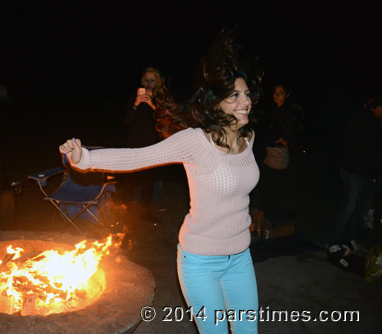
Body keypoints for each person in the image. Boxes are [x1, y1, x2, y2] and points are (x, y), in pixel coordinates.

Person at [59, 30, 262, 333]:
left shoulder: (249, 138)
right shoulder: (196, 141)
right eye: (235, 95)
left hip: (241, 258)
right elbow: (137, 158)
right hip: (201, 261)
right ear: (216, 102)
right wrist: (85, 159)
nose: (245, 101)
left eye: (246, 94)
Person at [328, 92, 382, 257]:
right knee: (348, 208)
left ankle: (351, 239)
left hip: (369, 174)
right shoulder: (361, 119)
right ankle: (333, 242)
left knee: (362, 209)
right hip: (353, 172)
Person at [122, 67, 166, 221]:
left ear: (157, 81)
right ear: (142, 80)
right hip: (134, 144)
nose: (148, 83)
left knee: (148, 181)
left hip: (152, 145)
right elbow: (127, 121)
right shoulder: (136, 95)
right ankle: (124, 211)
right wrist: (136, 103)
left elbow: (165, 123)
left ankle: (145, 212)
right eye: (146, 80)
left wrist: (153, 106)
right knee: (130, 178)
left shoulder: (161, 98)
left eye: (152, 80)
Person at [255, 83, 303, 222]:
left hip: (279, 154)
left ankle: (271, 217)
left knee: (272, 186)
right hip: (269, 152)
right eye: (275, 92)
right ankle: (267, 215)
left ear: (287, 95)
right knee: (266, 184)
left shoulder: (289, 111)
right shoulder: (274, 109)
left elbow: (296, 129)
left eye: (281, 93)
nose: (277, 95)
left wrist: (287, 141)